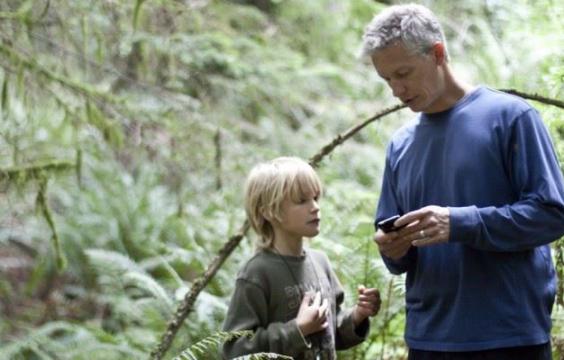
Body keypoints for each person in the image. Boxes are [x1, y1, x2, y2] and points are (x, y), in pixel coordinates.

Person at [361, 3, 564, 360]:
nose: (396, 89)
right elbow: (396, 252)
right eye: (386, 79)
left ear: (438, 54)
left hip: (509, 337)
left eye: (403, 73)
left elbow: (552, 214)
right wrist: (392, 248)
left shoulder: (511, 117)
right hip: (428, 339)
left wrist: (460, 223)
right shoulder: (400, 144)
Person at [222, 156, 381, 359]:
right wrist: (297, 329)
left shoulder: (320, 262)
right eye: (302, 201)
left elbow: (332, 331)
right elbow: (234, 350)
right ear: (270, 211)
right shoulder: (256, 273)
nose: (315, 207)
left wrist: (359, 314)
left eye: (316, 197)